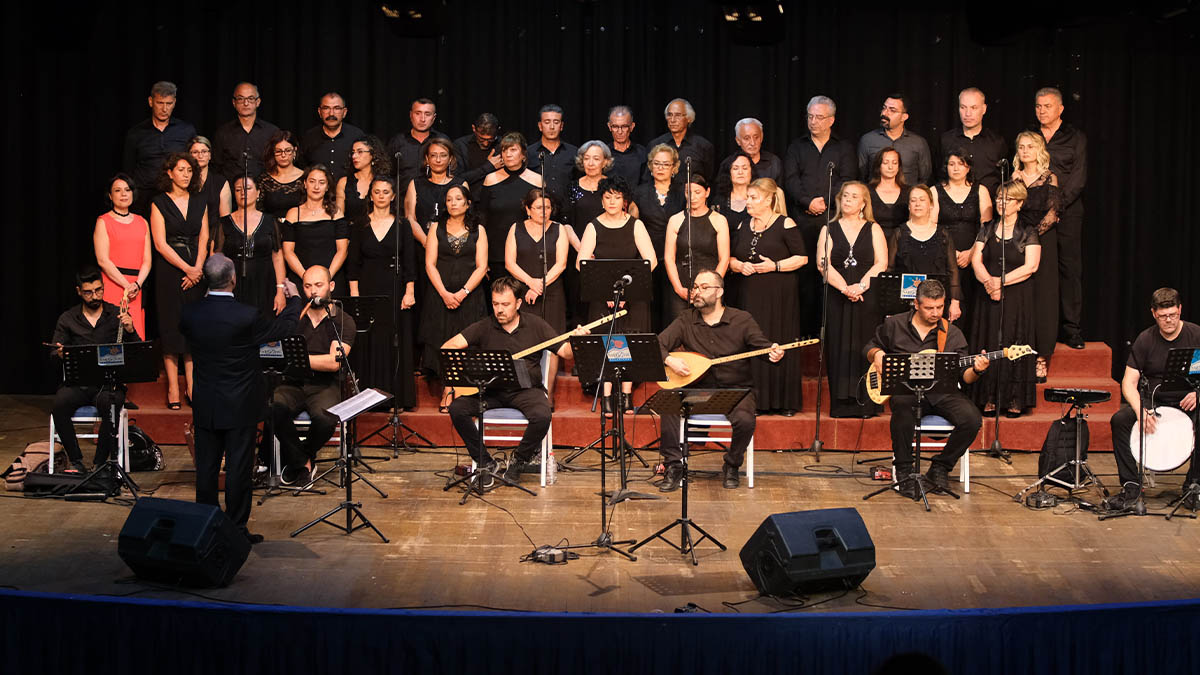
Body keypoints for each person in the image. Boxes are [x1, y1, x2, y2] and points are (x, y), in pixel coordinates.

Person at [181, 254, 302, 544]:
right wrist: (294, 299)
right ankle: (236, 530)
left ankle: (206, 527)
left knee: (207, 470)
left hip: (207, 402)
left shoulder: (190, 314)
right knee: (238, 469)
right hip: (240, 403)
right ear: (233, 279)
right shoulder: (246, 316)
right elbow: (282, 329)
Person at [444, 277, 578, 487]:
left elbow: (565, 353)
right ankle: (485, 461)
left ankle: (519, 461)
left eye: (505, 304)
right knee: (457, 408)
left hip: (526, 391)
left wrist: (576, 340)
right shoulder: (484, 326)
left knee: (542, 416)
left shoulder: (535, 325)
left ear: (518, 303)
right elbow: (449, 346)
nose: (499, 310)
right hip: (492, 392)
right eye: (496, 304)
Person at [657, 269, 783, 490]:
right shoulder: (686, 319)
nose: (696, 292)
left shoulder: (741, 319)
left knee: (745, 420)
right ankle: (674, 467)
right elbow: (657, 344)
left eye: (704, 288)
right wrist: (669, 360)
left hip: (735, 390)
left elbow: (762, 347)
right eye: (695, 287)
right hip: (697, 390)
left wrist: (773, 353)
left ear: (719, 292)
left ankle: (732, 464)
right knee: (668, 404)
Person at [864, 280, 987, 499]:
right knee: (901, 410)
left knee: (971, 419)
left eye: (940, 307)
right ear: (916, 304)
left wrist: (977, 370)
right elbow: (869, 346)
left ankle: (940, 467)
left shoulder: (952, 334)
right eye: (930, 308)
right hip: (906, 392)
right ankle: (904, 471)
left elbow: (965, 377)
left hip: (942, 393)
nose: (935, 312)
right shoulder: (895, 325)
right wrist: (877, 355)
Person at [1106, 288, 1200, 510]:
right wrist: (1140, 410)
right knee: (1120, 420)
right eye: (1163, 316)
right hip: (1154, 402)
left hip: (1188, 401)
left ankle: (1194, 485)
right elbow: (1128, 382)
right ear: (1153, 313)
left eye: (1173, 315)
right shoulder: (1146, 339)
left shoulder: (1196, 334)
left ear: (1180, 310)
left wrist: (1198, 393)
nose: (1168, 320)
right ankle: (1131, 487)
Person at [577, 176, 657, 413]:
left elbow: (650, 260)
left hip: (633, 295)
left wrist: (627, 290)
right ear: (602, 200)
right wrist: (606, 291)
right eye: (607, 197)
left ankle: (627, 395)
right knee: (609, 343)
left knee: (629, 343)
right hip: (603, 297)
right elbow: (581, 263)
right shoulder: (593, 226)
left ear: (624, 200)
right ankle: (608, 397)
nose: (612, 202)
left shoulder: (635, 224)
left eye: (617, 197)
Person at [270, 265, 355, 484]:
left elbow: (333, 363)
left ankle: (303, 456)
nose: (313, 291)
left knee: (325, 419)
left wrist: (299, 359)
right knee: (273, 407)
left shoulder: (342, 320)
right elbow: (275, 350)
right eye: (308, 286)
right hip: (294, 383)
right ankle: (303, 463)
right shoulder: (294, 318)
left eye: (319, 285)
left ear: (331, 286)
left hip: (325, 385)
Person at [728, 178, 807, 415]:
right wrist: (739, 265)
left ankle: (784, 401)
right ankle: (756, 401)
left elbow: (801, 258)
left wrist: (775, 266)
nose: (748, 202)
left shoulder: (785, 224)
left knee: (778, 338)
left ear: (769, 199)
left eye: (754, 198)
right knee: (752, 340)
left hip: (779, 296)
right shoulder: (743, 226)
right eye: (748, 197)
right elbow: (731, 258)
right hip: (750, 294)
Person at [49, 266, 138, 473]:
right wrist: (60, 354)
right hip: (77, 384)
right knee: (59, 405)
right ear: (79, 291)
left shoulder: (116, 314)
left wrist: (130, 330)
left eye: (99, 290)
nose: (95, 296)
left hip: (107, 384)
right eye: (88, 292)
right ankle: (77, 462)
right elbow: (53, 354)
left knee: (112, 405)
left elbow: (136, 352)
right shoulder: (68, 319)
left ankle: (100, 463)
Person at [783, 95, 858, 334]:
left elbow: (846, 179)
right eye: (810, 116)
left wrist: (824, 202)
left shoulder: (843, 148)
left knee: (830, 273)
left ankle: (830, 330)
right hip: (803, 221)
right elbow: (791, 180)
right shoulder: (797, 147)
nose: (813, 121)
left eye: (819, 117)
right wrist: (807, 202)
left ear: (831, 120)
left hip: (832, 220)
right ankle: (805, 332)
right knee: (804, 280)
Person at [969, 181, 1040, 416]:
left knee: (1014, 339)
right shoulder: (987, 228)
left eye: (1007, 199)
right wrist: (988, 282)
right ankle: (988, 397)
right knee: (989, 339)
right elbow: (976, 260)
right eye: (999, 198)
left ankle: (1014, 399)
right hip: (987, 292)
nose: (1001, 202)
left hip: (1017, 295)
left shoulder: (1028, 231)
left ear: (1019, 204)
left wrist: (1001, 281)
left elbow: (1031, 266)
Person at [817, 181, 887, 418]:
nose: (847, 199)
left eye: (853, 196)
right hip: (838, 296)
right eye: (845, 195)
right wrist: (845, 288)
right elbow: (822, 263)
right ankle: (840, 405)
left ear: (863, 203)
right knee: (838, 346)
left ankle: (866, 403)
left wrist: (860, 287)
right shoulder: (829, 228)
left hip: (866, 297)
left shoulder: (873, 228)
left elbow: (881, 263)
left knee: (863, 346)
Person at [349, 177, 417, 408]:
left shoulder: (402, 225)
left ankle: (396, 396)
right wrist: (355, 297)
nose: (381, 195)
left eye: (385, 191)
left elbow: (410, 262)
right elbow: (353, 264)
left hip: (395, 289)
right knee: (369, 340)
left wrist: (410, 292)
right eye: (376, 191)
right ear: (370, 196)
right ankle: (368, 398)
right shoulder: (360, 224)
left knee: (394, 341)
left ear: (393, 196)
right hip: (367, 289)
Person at [149, 152, 209, 409]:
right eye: (181, 169)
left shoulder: (200, 200)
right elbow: (160, 244)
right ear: (170, 173)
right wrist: (186, 268)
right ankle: (173, 386)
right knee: (171, 326)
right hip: (170, 271)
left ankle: (193, 386)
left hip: (196, 269)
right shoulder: (159, 202)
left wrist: (197, 269)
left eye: (189, 170)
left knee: (193, 328)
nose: (186, 174)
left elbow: (205, 238)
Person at [420, 185, 488, 410]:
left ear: (468, 203)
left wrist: (463, 292)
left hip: (470, 296)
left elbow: (482, 266)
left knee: (467, 343)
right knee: (443, 339)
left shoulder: (479, 229)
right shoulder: (436, 228)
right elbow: (430, 263)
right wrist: (444, 294)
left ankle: (464, 391)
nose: (453, 203)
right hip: (440, 295)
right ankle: (447, 389)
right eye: (449, 200)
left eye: (458, 199)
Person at [1034, 87, 1087, 350]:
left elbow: (1078, 179)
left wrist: (1057, 208)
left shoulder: (1075, 137)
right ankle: (1038, 329)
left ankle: (1072, 330)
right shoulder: (1031, 136)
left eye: (1047, 106)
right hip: (1035, 214)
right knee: (1038, 270)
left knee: (1069, 271)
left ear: (1060, 109)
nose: (1042, 110)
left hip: (1067, 213)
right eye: (1038, 106)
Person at [1012, 131, 1061, 382]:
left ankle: (1041, 358)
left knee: (1043, 296)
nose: (1025, 151)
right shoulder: (1014, 177)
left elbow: (1052, 214)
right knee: (1021, 295)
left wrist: (1031, 236)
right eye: (1021, 147)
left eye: (1030, 146)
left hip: (1042, 239)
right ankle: (1020, 354)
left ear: (1039, 149)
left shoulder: (1048, 177)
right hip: (1018, 240)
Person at [931, 150, 994, 341]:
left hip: (975, 254)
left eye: (961, 164)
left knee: (972, 303)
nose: (956, 168)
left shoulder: (980, 190)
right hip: (943, 254)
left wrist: (972, 252)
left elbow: (987, 226)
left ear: (968, 167)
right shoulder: (935, 191)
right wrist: (952, 253)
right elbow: (932, 225)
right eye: (952, 164)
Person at [213, 176, 286, 316]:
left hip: (264, 282)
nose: (242, 193)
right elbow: (216, 257)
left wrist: (280, 290)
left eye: (247, 188)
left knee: (263, 327)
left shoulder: (270, 221)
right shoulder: (224, 223)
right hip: (233, 284)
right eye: (238, 190)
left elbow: (277, 257)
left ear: (258, 192)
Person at [887, 185, 961, 322]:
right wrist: (890, 306)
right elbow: (890, 270)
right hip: (905, 304)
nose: (917, 204)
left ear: (931, 205)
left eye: (922, 200)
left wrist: (955, 302)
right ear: (909, 206)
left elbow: (953, 270)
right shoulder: (899, 234)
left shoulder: (943, 234)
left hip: (936, 305)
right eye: (913, 200)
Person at [123, 81, 196, 216]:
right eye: (160, 103)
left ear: (174, 103)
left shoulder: (186, 130)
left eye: (169, 104)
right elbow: (128, 168)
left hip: (176, 196)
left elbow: (194, 164)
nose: (164, 109)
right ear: (151, 102)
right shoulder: (136, 133)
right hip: (143, 198)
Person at [664, 174, 730, 322]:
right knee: (679, 331)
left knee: (709, 329)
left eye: (697, 192)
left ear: (707, 192)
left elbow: (724, 259)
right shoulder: (676, 220)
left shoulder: (719, 220)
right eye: (688, 192)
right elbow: (669, 258)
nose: (692, 197)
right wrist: (678, 288)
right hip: (681, 285)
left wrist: (710, 288)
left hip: (710, 287)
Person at [93, 173, 151, 338]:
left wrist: (137, 285)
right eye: (118, 190)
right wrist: (126, 285)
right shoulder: (103, 221)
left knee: (135, 335)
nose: (124, 194)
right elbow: (103, 260)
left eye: (127, 189)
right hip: (114, 284)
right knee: (113, 335)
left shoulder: (142, 222)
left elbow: (147, 261)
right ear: (110, 196)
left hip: (136, 288)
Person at [506, 189, 570, 333]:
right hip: (522, 291)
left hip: (552, 291)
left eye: (547, 207)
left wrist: (539, 286)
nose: (544, 212)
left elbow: (561, 264)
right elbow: (509, 263)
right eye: (539, 208)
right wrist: (530, 282)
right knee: (524, 335)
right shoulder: (516, 228)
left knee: (554, 337)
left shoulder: (559, 229)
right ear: (528, 209)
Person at [480, 132, 543, 271]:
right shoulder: (490, 179)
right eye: (504, 150)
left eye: (513, 149)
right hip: (496, 254)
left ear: (523, 154)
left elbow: (544, 218)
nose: (508, 154)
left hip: (527, 252)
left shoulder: (537, 180)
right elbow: (482, 219)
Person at [565, 141, 613, 324]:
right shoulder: (572, 188)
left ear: (605, 162)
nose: (591, 163)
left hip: (607, 254)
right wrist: (582, 250)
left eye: (596, 159)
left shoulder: (612, 187)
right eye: (586, 159)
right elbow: (566, 222)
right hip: (579, 255)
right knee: (580, 308)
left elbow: (627, 212)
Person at [281, 165, 349, 294]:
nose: (316, 187)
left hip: (331, 278)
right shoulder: (293, 214)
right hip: (300, 278)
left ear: (328, 186)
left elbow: (342, 250)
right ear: (305, 184)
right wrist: (307, 279)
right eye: (312, 182)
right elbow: (288, 252)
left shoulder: (336, 213)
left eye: (321, 182)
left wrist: (326, 279)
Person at [938, 87, 1007, 196]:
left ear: (984, 109)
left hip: (990, 206)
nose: (968, 114)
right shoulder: (946, 140)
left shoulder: (997, 142)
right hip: (955, 207)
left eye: (974, 108)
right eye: (963, 107)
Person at [857, 94, 932, 186]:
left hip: (908, 198)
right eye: (884, 108)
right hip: (874, 198)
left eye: (892, 110)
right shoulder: (868, 140)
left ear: (904, 117)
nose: (884, 113)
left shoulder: (918, 143)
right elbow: (862, 176)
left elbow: (925, 178)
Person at [212, 82, 279, 181]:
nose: (246, 103)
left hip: (265, 190)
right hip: (231, 191)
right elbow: (215, 166)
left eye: (250, 98)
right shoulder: (223, 133)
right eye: (240, 99)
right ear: (234, 103)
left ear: (258, 102)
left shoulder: (272, 132)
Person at [646, 98, 714, 184]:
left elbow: (709, 179)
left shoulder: (703, 146)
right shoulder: (655, 145)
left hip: (691, 196)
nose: (673, 120)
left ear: (689, 118)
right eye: (669, 115)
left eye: (678, 115)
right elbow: (647, 179)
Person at [300, 92, 365, 181]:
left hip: (350, 192)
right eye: (326, 108)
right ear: (319, 112)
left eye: (337, 108)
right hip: (318, 192)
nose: (331, 113)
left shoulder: (356, 136)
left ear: (344, 112)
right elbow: (302, 167)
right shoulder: (309, 137)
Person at [387, 97, 451, 186]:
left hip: (435, 197)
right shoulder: (398, 141)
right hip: (403, 197)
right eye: (418, 113)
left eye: (427, 114)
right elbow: (387, 173)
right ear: (411, 115)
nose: (422, 119)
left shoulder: (442, 140)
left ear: (434, 117)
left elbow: (451, 172)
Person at [715, 118, 782, 197]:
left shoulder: (774, 162)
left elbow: (778, 195)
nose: (752, 143)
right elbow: (721, 194)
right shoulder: (728, 164)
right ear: (738, 141)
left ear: (762, 137)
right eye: (747, 138)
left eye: (756, 137)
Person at [336, 135, 392, 223]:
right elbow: (339, 216)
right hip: (349, 233)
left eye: (360, 152)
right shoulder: (344, 182)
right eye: (353, 152)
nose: (354, 156)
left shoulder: (383, 183)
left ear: (373, 154)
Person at [526, 104, 578, 198]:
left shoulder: (573, 152)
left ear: (561, 126)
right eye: (547, 122)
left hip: (567, 210)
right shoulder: (529, 153)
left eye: (556, 122)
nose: (552, 127)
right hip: (539, 210)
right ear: (540, 126)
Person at [867, 147, 912, 244]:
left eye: (894, 163)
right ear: (878, 165)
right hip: (873, 242)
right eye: (886, 163)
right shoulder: (867, 191)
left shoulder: (909, 192)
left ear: (899, 166)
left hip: (902, 243)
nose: (890, 167)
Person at [258, 130, 306, 219]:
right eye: (279, 151)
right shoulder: (264, 179)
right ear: (273, 153)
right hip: (271, 229)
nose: (283, 155)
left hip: (298, 228)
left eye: (288, 150)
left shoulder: (305, 178)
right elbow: (258, 211)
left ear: (295, 151)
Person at [453, 112, 503, 190]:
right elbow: (457, 179)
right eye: (482, 139)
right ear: (474, 128)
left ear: (498, 130)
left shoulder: (502, 144)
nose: (486, 144)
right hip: (469, 197)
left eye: (490, 139)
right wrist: (489, 166)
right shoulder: (460, 145)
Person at [189, 136, 233, 221]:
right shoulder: (184, 180)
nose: (200, 155)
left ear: (210, 155)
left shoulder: (220, 182)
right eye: (195, 152)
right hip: (188, 231)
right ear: (189, 155)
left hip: (214, 231)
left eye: (204, 151)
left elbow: (225, 221)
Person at [606, 105, 646, 186]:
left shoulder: (643, 153)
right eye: (615, 126)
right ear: (609, 127)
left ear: (632, 127)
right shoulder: (603, 154)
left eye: (624, 126)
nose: (620, 131)